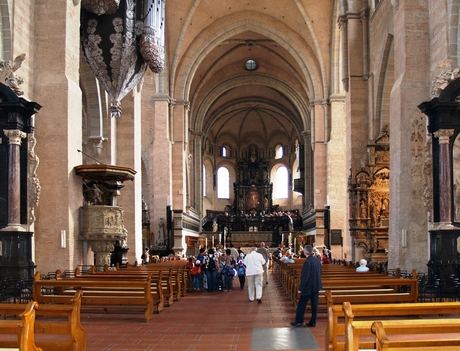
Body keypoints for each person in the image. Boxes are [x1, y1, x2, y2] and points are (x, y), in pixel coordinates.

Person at [291, 245, 322, 327]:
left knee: (302, 304)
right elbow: (320, 272)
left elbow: (305, 277)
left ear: (305, 252)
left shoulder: (308, 262)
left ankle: (299, 321)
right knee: (314, 305)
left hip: (308, 287)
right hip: (316, 286)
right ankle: (313, 322)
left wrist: (300, 288)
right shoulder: (317, 260)